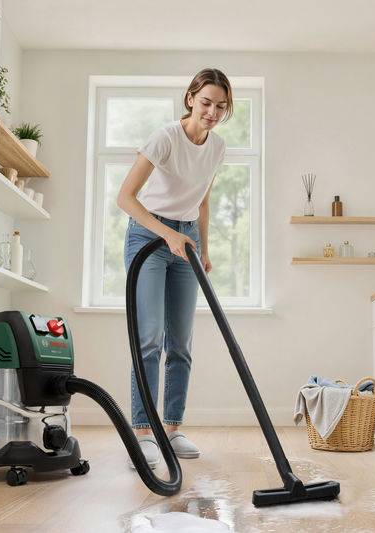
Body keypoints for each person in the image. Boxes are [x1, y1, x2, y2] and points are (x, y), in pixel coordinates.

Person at [116, 68, 233, 469]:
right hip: (147, 234)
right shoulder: (165, 138)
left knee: (179, 342)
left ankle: (172, 427)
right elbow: (126, 198)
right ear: (190, 99)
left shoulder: (216, 148)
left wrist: (203, 247)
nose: (212, 112)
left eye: (221, 106)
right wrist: (167, 234)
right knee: (149, 338)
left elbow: (201, 200)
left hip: (186, 242)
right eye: (206, 103)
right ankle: (144, 432)